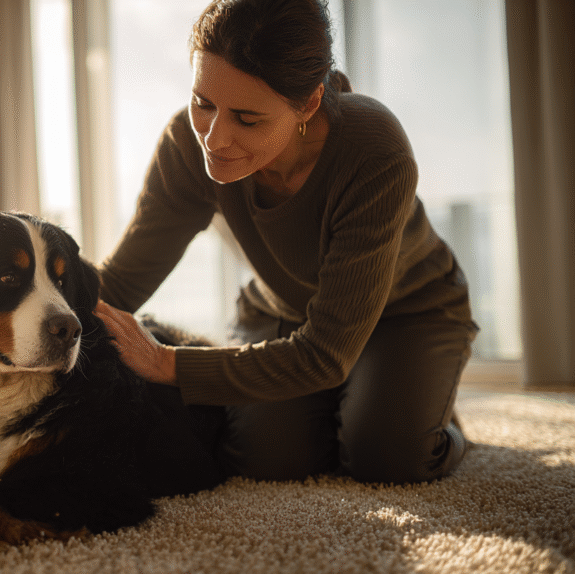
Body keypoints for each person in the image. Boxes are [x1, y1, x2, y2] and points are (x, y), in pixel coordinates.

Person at [94, 0, 478, 484]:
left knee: (387, 458)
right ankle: (361, 402)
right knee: (265, 463)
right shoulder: (187, 148)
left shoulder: (374, 150)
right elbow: (122, 281)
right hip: (283, 310)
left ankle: (425, 414)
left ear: (309, 103)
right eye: (203, 103)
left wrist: (166, 362)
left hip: (408, 311)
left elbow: (325, 354)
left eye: (246, 118)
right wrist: (43, 319)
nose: (214, 138)